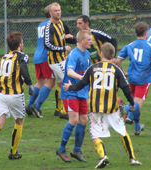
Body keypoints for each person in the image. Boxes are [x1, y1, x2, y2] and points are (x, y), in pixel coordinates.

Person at [63, 43, 142, 169]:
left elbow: (82, 83)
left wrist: (70, 87)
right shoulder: (116, 69)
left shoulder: (92, 68)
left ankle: (103, 156)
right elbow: (126, 88)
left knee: (95, 136)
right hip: (112, 108)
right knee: (122, 132)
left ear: (101, 54)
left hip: (95, 108)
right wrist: (132, 103)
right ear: (113, 56)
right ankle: (132, 158)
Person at [0, 32, 34, 160]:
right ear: (20, 45)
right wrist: (30, 84)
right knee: (19, 121)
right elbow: (24, 69)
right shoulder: (22, 56)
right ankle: (13, 152)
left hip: (0, 94)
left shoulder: (4, 57)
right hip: (14, 95)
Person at [116, 22, 151, 135]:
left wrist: (123, 72)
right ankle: (124, 108)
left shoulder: (129, 45)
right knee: (136, 105)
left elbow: (118, 61)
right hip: (144, 79)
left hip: (131, 78)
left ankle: (137, 127)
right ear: (146, 32)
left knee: (134, 101)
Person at [30, 2, 71, 118]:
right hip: (49, 57)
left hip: (38, 56)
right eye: (55, 11)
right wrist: (63, 47)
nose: (58, 12)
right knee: (54, 82)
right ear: (50, 12)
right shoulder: (49, 25)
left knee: (43, 82)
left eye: (59, 10)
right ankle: (62, 110)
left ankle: (31, 105)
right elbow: (48, 43)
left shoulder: (41, 25)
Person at [56, 30, 92, 163]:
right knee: (74, 120)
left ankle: (77, 150)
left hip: (82, 91)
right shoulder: (74, 54)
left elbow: (88, 71)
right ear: (81, 40)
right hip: (70, 91)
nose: (91, 41)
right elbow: (69, 71)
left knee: (83, 120)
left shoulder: (87, 53)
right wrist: (81, 78)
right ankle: (61, 148)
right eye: (88, 39)